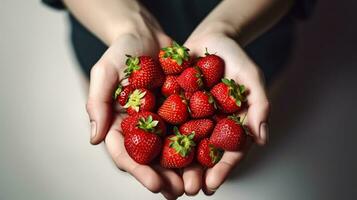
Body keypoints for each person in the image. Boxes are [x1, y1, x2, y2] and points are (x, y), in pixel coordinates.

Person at [43, 0, 315, 199]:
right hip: (107, 27)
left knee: (239, 160)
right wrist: (127, 28)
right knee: (119, 140)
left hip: (251, 34)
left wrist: (227, 26)